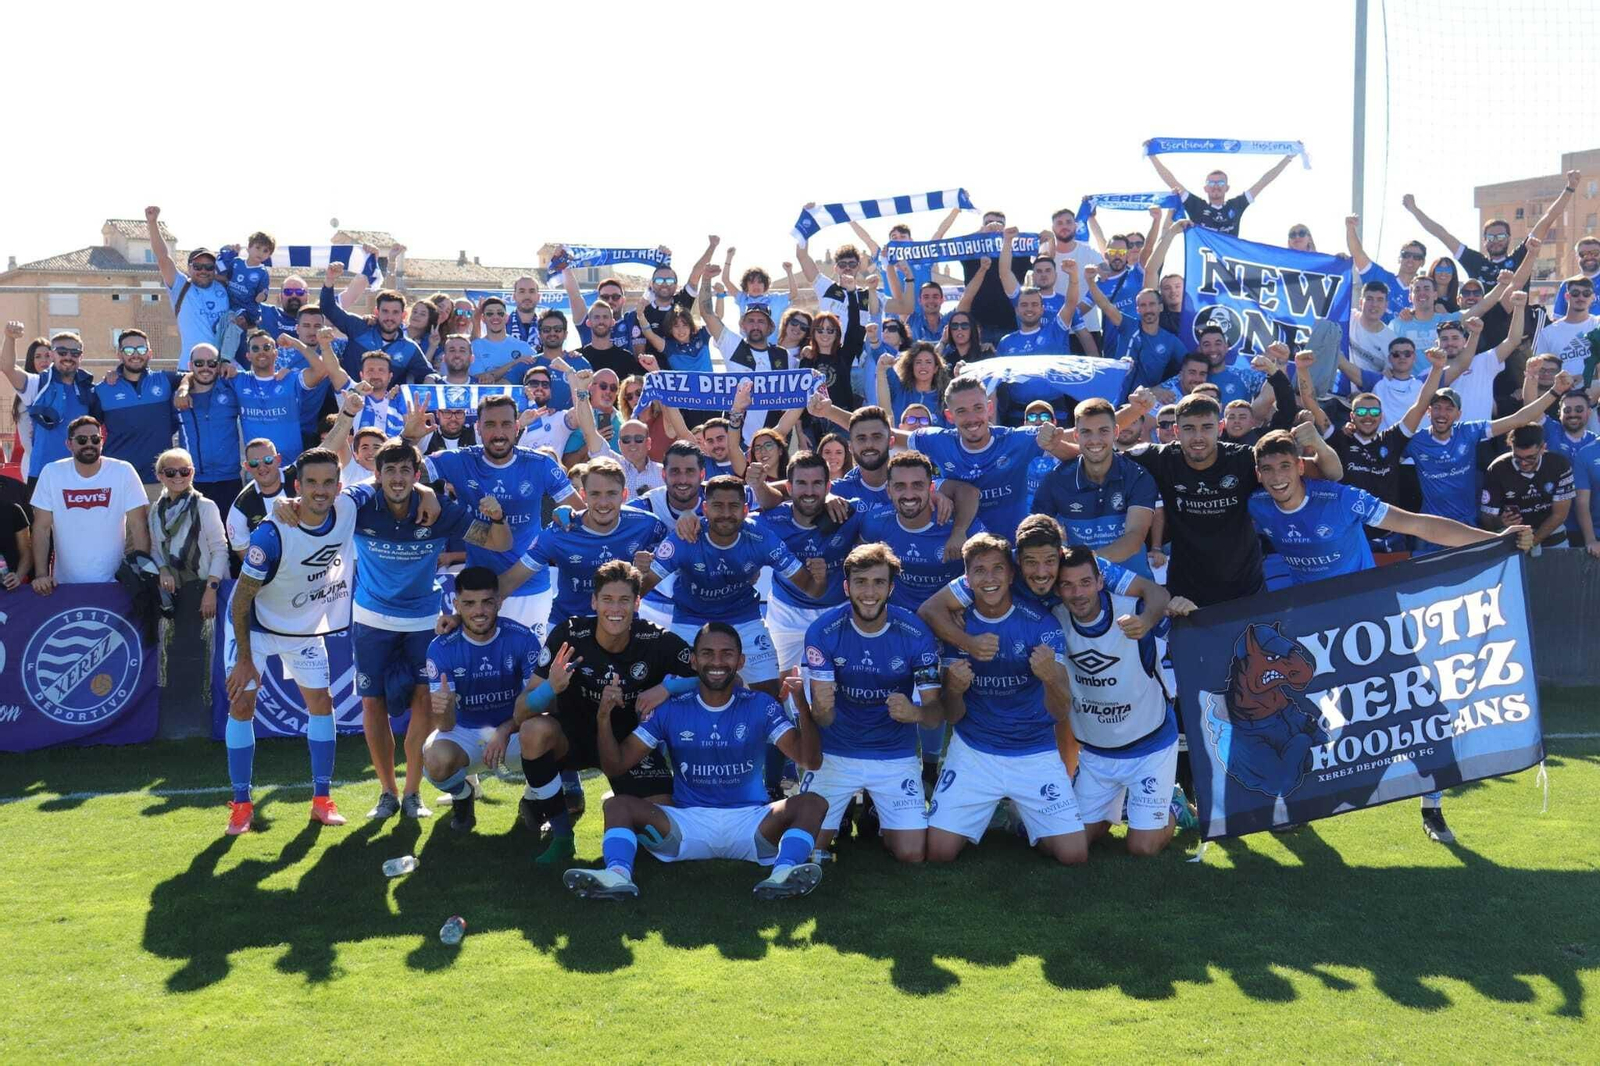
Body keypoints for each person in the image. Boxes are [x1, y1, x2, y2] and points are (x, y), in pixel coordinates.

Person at [223, 447, 418, 834]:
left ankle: (321, 800)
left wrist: (410, 437)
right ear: (296, 487)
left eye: (328, 482)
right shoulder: (272, 532)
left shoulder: (349, 505)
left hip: (304, 631)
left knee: (322, 705)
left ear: (339, 485)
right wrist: (245, 658)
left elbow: (389, 472)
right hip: (256, 629)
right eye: (311, 482)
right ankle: (242, 805)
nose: (320, 490)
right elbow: (241, 600)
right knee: (242, 706)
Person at [562, 622, 828, 902]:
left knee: (813, 802)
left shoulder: (760, 704)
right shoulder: (670, 709)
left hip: (752, 825)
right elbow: (616, 766)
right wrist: (603, 717)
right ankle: (617, 876)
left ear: (741, 661)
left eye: (727, 654)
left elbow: (810, 760)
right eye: (707, 653)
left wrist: (802, 707)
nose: (716, 661)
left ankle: (783, 874)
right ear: (692, 660)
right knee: (617, 805)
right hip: (685, 826)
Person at [345, 441, 509, 820]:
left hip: (423, 621)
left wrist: (497, 518)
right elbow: (319, 508)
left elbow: (501, 543)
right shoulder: (361, 507)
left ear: (417, 475)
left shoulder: (439, 510)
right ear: (377, 475)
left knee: (424, 703)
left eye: (406, 471)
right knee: (374, 704)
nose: (398, 478)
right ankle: (387, 793)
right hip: (372, 619)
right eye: (390, 471)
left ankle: (412, 793)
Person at [510, 560, 699, 866]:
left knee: (664, 831)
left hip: (629, 744)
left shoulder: (656, 640)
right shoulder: (569, 636)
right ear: (594, 601)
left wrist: (668, 689)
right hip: (573, 738)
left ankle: (620, 801)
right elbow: (521, 713)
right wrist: (550, 689)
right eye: (608, 600)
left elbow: (714, 675)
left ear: (637, 603)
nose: (616, 609)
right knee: (533, 732)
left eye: (624, 600)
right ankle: (561, 836)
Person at [926, 533, 1083, 865]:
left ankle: (1025, 820)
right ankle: (992, 810)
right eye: (980, 571)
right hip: (975, 750)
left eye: (998, 569)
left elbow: (1060, 709)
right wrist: (953, 688)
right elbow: (953, 717)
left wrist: (1051, 678)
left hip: (1033, 750)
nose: (990, 578)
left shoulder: (1044, 625)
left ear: (1011, 574)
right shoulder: (957, 626)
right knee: (938, 852)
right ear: (967, 580)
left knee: (1073, 856)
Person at [1125, 387, 1343, 607]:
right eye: (1189, 428)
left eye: (1207, 427)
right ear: (1176, 430)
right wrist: (1133, 412)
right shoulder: (1161, 458)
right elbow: (1096, 452)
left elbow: (1332, 474)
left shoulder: (1243, 459)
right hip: (1185, 593)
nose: (1198, 437)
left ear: (1220, 428)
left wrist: (1319, 445)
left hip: (1246, 588)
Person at [798, 543, 943, 861]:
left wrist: (915, 711)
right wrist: (821, 709)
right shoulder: (823, 631)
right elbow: (822, 719)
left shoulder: (916, 631)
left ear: (891, 588)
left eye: (879, 582)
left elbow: (935, 715)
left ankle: (878, 813)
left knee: (912, 855)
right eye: (861, 582)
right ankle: (846, 811)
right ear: (847, 586)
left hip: (894, 756)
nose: (869, 592)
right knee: (807, 847)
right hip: (835, 753)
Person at [1250, 428, 1536, 585]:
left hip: (1360, 600)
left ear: (1300, 466)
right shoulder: (1256, 504)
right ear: (1258, 474)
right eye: (1268, 469)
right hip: (1307, 606)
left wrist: (1496, 540)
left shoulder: (1341, 499)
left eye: (1285, 466)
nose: (1277, 478)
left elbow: (1417, 524)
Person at [406, 392, 581, 643]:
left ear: (517, 427)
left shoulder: (540, 464)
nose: (498, 433)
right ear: (477, 427)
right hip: (478, 592)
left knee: (529, 674)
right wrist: (409, 440)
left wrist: (550, 543)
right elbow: (400, 474)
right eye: (490, 424)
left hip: (530, 590)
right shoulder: (460, 460)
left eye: (506, 424)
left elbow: (579, 514)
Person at [640, 476, 824, 699]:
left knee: (770, 696)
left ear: (746, 509)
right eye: (718, 506)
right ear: (705, 509)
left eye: (734, 506)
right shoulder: (685, 538)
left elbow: (812, 590)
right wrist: (638, 570)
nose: (726, 513)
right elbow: (639, 588)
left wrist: (819, 578)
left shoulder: (761, 538)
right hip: (690, 620)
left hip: (744, 620)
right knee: (674, 698)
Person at [1051, 545, 1181, 856]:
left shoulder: (1135, 610)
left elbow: (1184, 623)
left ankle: (1174, 805)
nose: (1077, 593)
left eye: (1084, 582)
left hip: (1149, 746)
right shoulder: (1053, 621)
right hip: (1097, 754)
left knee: (1143, 848)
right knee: (1069, 845)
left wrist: (1184, 608)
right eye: (1067, 585)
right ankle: (1115, 807)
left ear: (1100, 581)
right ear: (1057, 589)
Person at [1401, 350, 1573, 553]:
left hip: (1468, 528)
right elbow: (1382, 454)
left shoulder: (1469, 431)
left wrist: (1555, 391)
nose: (1442, 414)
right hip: (1430, 529)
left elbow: (1519, 419)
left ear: (1459, 414)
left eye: (1449, 409)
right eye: (1437, 408)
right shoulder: (1415, 441)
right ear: (1428, 412)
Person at [420, 566, 544, 832]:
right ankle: (463, 796)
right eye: (469, 603)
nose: (479, 611)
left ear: (499, 601)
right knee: (436, 761)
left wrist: (504, 730)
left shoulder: (523, 639)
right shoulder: (441, 648)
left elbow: (534, 705)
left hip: (514, 730)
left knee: (552, 736)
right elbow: (445, 726)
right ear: (456, 605)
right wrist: (442, 709)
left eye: (487, 602)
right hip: (464, 731)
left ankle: (533, 799)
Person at [496, 457, 669, 638]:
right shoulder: (560, 531)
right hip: (568, 626)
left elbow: (678, 560)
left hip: (621, 626)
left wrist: (645, 571)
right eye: (595, 494)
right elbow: (510, 580)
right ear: (583, 495)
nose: (603, 502)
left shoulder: (647, 524)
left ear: (624, 495)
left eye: (611, 493)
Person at [756, 451, 864, 675]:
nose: (809, 491)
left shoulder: (849, 513)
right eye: (801, 483)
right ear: (789, 486)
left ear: (828, 487)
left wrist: (937, 496)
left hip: (837, 611)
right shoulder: (769, 520)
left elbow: (893, 505)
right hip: (785, 613)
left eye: (816, 484)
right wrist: (689, 516)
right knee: (778, 682)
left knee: (845, 683)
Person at [1031, 398, 1160, 578]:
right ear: (1076, 435)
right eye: (1086, 432)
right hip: (1079, 590)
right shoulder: (1055, 480)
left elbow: (1134, 539)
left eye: (1103, 431)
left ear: (1116, 432)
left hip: (1133, 584)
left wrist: (1082, 565)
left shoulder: (1137, 476)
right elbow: (1039, 535)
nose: (1095, 440)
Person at [29, 415, 149, 592]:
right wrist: (41, 575)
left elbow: (138, 527)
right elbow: (41, 529)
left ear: (102, 442)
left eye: (95, 439)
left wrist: (142, 575)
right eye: (82, 439)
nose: (89, 444)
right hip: (65, 585)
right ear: (69, 444)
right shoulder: (51, 473)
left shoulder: (123, 471)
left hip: (115, 584)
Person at [859, 451, 984, 613]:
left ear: (931, 488)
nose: (909, 495)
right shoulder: (874, 522)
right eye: (900, 486)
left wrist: (966, 606)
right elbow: (862, 572)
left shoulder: (964, 525)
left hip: (951, 615)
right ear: (888, 490)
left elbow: (989, 571)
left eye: (917, 485)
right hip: (897, 618)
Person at [4, 326, 98, 491]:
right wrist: (10, 338)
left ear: (81, 356)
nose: (68, 357)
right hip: (43, 474)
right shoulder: (37, 384)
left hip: (81, 474)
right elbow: (7, 367)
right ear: (53, 354)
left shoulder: (89, 388)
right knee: (43, 518)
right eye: (62, 352)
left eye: (74, 352)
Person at [94, 330, 181, 498]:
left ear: (150, 353)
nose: (135, 355)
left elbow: (193, 376)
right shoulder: (102, 390)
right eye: (128, 350)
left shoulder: (165, 380)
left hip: (159, 479)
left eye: (141, 350)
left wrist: (184, 389)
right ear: (119, 355)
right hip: (117, 480)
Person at [147, 447, 229, 622]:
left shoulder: (205, 506)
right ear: (160, 476)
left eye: (184, 471)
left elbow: (220, 550)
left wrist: (211, 590)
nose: (178, 477)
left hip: (207, 589)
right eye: (170, 472)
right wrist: (162, 570)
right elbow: (154, 548)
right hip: (175, 593)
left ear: (192, 473)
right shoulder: (155, 511)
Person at [145, 206, 230, 371]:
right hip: (189, 367)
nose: (203, 271)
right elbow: (163, 258)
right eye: (198, 266)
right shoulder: (181, 286)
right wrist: (152, 223)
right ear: (189, 268)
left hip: (221, 368)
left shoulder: (224, 287)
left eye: (208, 267)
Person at [318, 263, 431, 385]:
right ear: (376, 312)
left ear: (403, 316)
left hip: (384, 403)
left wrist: (432, 378)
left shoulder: (410, 348)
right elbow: (328, 308)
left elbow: (428, 374)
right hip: (345, 399)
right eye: (385, 311)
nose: (389, 317)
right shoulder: (360, 327)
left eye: (395, 312)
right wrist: (330, 279)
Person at [1146, 151, 1296, 236]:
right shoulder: (1197, 206)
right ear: (1205, 188)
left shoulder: (1236, 205)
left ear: (1227, 188)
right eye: (1211, 183)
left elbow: (1263, 182)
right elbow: (1171, 181)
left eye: (1220, 183)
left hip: (1228, 266)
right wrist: (1152, 155)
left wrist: (1288, 158)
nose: (1216, 186)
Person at [1480, 425, 1576, 550]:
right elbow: (1486, 518)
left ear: (1543, 448)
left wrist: (1532, 542)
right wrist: (1500, 521)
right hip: (1512, 535)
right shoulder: (1497, 469)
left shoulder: (1559, 465)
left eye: (1531, 458)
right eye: (1518, 458)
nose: (1524, 463)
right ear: (1511, 447)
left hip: (1551, 530)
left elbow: (1559, 515)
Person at [175, 340, 244, 508]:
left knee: (229, 534)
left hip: (229, 480)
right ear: (190, 365)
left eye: (211, 363)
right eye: (199, 363)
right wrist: (183, 388)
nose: (205, 368)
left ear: (218, 366)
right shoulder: (176, 398)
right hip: (192, 481)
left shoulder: (231, 388)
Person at [1344, 214, 1424, 317]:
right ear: (1399, 258)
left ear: (1422, 262)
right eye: (1406, 255)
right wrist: (1350, 228)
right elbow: (1357, 254)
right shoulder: (1381, 277)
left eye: (1417, 257)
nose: (1410, 259)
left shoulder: (1424, 293)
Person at [1532, 274, 1600, 378]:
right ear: (1567, 296)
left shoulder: (1597, 324)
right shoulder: (1548, 333)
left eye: (1586, 293)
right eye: (1575, 293)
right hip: (1561, 392)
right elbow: (1539, 372)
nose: (1581, 297)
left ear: (1593, 297)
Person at [468, 296, 538, 383]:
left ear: (506, 317)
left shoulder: (523, 347)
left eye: (500, 313)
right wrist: (514, 363)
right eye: (490, 314)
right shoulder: (474, 347)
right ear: (483, 319)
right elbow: (479, 379)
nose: (495, 317)